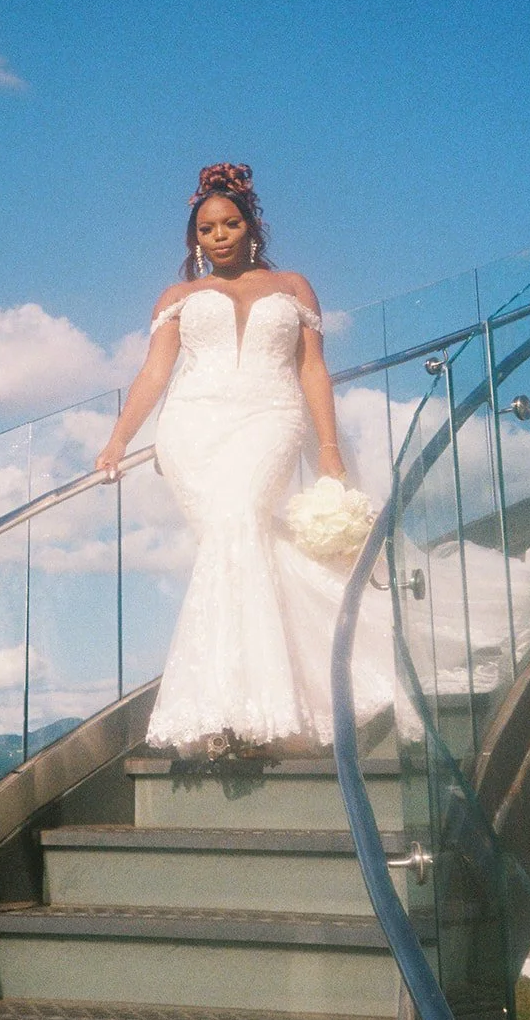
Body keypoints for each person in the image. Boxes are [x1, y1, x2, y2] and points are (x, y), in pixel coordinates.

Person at [96, 163, 397, 756]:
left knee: (241, 521)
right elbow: (155, 372)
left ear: (252, 225)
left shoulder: (292, 287)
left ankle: (242, 709)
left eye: (230, 223)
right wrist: (119, 440)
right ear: (195, 240)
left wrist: (330, 451)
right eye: (206, 230)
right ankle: (238, 708)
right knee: (235, 546)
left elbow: (312, 368)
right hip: (192, 429)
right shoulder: (178, 298)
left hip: (269, 419)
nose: (219, 236)